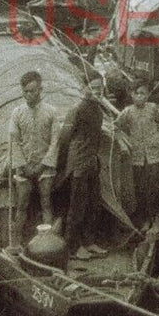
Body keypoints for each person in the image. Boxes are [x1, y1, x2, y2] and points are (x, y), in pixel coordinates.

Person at [56, 80, 107, 259]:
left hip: (92, 163)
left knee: (94, 204)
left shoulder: (98, 110)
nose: (97, 92)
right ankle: (72, 247)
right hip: (79, 163)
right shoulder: (77, 110)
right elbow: (65, 138)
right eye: (94, 88)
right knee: (78, 206)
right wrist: (65, 165)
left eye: (100, 89)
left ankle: (89, 241)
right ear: (85, 89)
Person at [7, 70, 60, 241]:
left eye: (32, 91)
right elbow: (14, 141)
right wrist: (24, 166)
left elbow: (55, 142)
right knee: (21, 204)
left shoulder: (51, 112)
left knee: (46, 202)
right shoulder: (17, 113)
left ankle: (48, 241)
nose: (29, 95)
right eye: (25, 91)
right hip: (24, 168)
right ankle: (16, 242)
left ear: (40, 90)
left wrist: (42, 165)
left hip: (45, 168)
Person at [117, 80, 159, 227]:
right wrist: (123, 143)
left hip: (153, 155)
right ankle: (143, 220)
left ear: (148, 95)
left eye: (143, 93)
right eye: (137, 93)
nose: (140, 97)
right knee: (140, 188)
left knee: (155, 186)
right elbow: (116, 128)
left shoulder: (153, 109)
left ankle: (156, 218)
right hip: (137, 156)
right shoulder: (127, 112)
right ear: (132, 95)